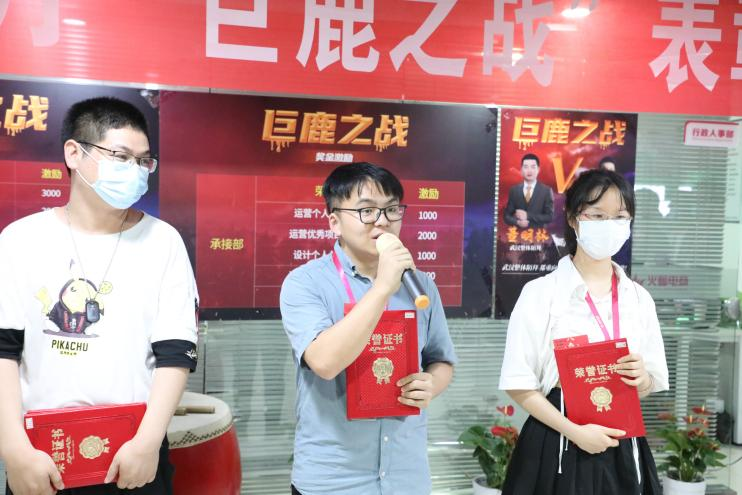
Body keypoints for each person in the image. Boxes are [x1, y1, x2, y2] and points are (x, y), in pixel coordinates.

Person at [0, 97, 198, 495]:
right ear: (74, 153)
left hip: (133, 451)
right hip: (41, 453)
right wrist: (13, 449)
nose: (136, 171)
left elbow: (176, 354)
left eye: (144, 161)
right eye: (121, 157)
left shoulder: (163, 241)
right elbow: (4, 350)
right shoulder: (21, 240)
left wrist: (147, 443)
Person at [280, 162, 457, 495]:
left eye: (392, 209)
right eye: (367, 211)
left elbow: (441, 360)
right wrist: (383, 288)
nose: (383, 221)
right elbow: (324, 362)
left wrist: (431, 384)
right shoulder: (305, 283)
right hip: (333, 480)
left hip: (406, 478)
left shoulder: (421, 285)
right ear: (334, 222)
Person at [499, 169, 669, 495]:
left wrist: (641, 379)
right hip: (556, 439)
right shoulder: (541, 293)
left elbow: (649, 383)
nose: (609, 224)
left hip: (622, 441)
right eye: (598, 215)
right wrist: (575, 432)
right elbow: (518, 384)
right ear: (574, 218)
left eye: (620, 216)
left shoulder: (638, 298)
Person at [504, 153, 554, 228]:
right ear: (521, 170)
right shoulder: (514, 190)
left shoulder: (546, 190)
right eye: (526, 167)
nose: (529, 171)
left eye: (533, 167)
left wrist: (528, 215)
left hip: (538, 233)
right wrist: (517, 222)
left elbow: (549, 217)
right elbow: (507, 216)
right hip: (518, 234)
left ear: (538, 169)